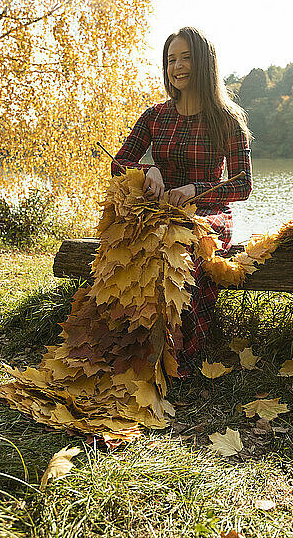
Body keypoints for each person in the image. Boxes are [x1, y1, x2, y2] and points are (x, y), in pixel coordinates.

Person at [111, 27, 253, 367]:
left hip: (208, 214)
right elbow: (119, 162)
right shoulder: (155, 116)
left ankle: (184, 351)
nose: (177, 66)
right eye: (171, 59)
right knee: (134, 239)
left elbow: (243, 183)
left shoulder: (226, 118)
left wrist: (196, 189)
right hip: (161, 211)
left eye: (186, 58)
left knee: (184, 243)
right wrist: (148, 172)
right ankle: (133, 344)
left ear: (204, 63)